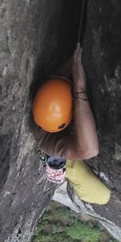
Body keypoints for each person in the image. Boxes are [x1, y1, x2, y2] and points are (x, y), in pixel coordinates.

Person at [33, 44, 111, 205]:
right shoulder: (49, 141)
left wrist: (79, 53)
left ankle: (58, 167)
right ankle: (59, 165)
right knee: (102, 197)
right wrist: (79, 90)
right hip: (65, 153)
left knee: (101, 196)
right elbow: (89, 149)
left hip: (68, 140)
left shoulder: (54, 86)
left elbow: (73, 62)